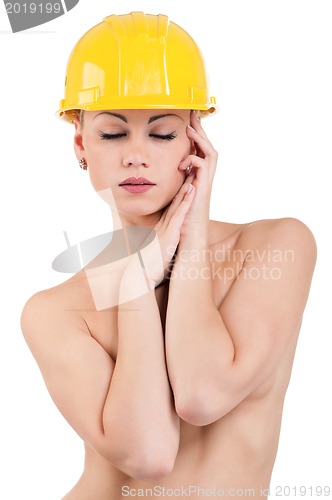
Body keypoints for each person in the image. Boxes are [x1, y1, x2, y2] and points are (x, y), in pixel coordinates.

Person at [21, 12, 316, 500]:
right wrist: (136, 278)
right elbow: (150, 453)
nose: (136, 155)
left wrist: (192, 237)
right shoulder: (52, 311)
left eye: (161, 133)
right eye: (113, 134)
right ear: (81, 144)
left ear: (196, 138)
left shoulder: (275, 246)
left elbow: (203, 394)